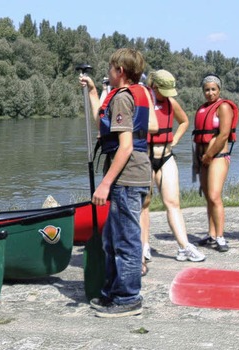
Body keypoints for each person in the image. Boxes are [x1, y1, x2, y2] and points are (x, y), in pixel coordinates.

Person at [79, 48, 153, 318]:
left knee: (125, 240)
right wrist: (92, 91)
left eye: (110, 68)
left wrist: (105, 184)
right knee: (112, 238)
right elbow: (104, 123)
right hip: (132, 172)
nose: (108, 72)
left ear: (120, 71)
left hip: (127, 176)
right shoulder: (138, 92)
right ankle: (113, 291)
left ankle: (128, 298)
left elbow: (125, 147)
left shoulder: (123, 99)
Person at [140, 70, 205, 264]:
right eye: (165, 91)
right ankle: (143, 246)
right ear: (155, 87)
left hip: (166, 157)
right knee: (144, 204)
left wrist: (175, 139)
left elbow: (184, 121)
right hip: (146, 157)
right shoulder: (144, 103)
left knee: (173, 203)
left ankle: (184, 247)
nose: (168, 95)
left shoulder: (171, 103)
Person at [192, 74, 239, 253]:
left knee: (214, 196)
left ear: (219, 90)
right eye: (207, 89)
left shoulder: (224, 107)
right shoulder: (203, 109)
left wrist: (210, 155)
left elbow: (223, 135)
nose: (210, 93)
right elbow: (198, 137)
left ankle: (220, 236)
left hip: (218, 157)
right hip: (203, 158)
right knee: (208, 197)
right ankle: (211, 234)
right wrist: (199, 159)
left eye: (213, 89)